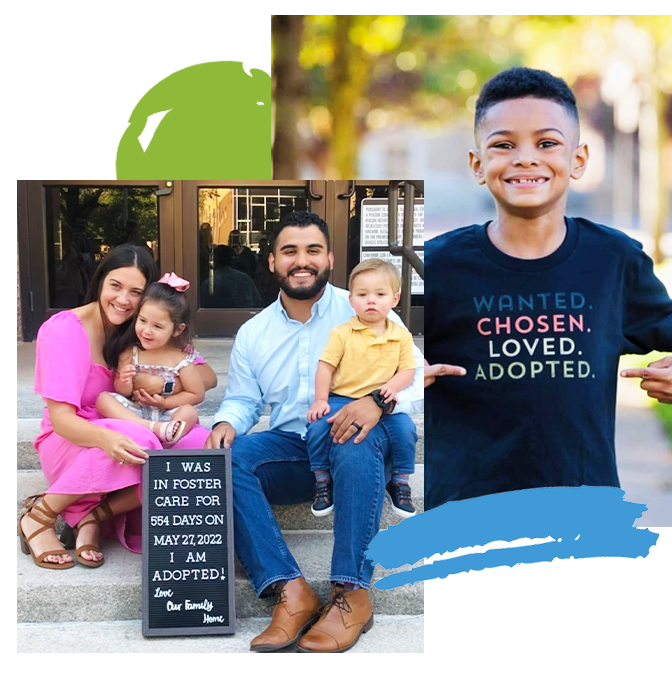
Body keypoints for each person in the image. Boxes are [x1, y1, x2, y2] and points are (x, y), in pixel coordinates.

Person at [425, 67, 672, 510]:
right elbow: (373, 358)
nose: (525, 158)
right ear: (478, 165)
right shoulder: (435, 266)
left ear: (578, 160)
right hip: (463, 516)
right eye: (504, 145)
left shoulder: (613, 259)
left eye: (546, 143)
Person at [204, 211, 423, 653]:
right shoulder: (254, 332)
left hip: (358, 442)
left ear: (330, 258)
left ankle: (351, 593)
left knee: (350, 437)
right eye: (289, 251)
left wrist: (376, 402)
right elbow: (245, 400)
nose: (301, 261)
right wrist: (226, 422)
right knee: (231, 459)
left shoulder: (367, 303)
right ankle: (291, 591)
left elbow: (415, 376)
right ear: (271, 262)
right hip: (295, 447)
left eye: (312, 251)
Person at [18, 245, 216, 570]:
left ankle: (93, 515)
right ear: (99, 282)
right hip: (74, 439)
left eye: (135, 291)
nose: (123, 300)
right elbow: (63, 421)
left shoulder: (143, 329)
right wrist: (108, 440)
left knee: (199, 446)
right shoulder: (65, 330)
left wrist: (163, 385)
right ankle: (40, 515)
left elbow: (205, 377)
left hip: (130, 427)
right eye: (115, 286)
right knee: (146, 443)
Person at [306, 258, 418, 519]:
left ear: (395, 298)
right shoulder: (342, 333)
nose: (371, 300)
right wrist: (321, 399)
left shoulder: (401, 335)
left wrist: (392, 387)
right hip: (341, 397)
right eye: (362, 294)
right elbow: (325, 367)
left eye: (380, 294)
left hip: (381, 401)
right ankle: (323, 480)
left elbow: (408, 370)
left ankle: (399, 481)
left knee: (406, 430)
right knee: (318, 425)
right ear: (351, 300)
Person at [95, 273, 204, 446]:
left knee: (189, 412)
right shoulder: (131, 352)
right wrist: (124, 380)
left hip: (168, 414)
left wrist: (166, 402)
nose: (146, 331)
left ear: (177, 330)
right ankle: (150, 429)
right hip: (136, 411)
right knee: (104, 399)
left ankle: (168, 438)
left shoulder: (181, 358)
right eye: (143, 321)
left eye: (157, 326)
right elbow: (123, 392)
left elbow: (196, 394)